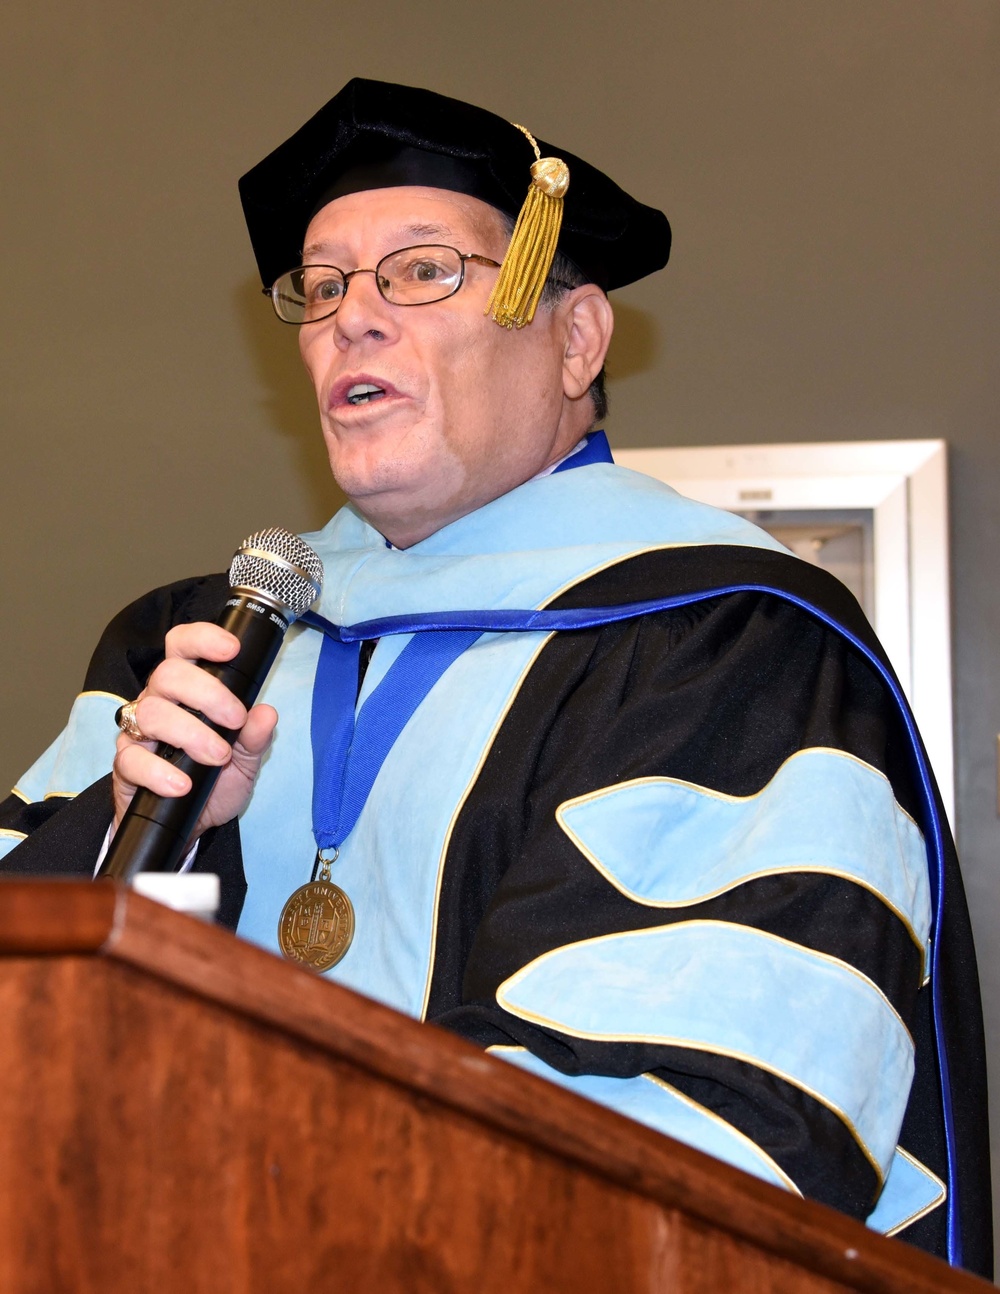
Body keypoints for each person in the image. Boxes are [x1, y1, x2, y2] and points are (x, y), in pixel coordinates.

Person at [0, 78, 990, 1275]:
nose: (351, 321)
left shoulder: (724, 642)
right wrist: (143, 843)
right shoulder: (193, 650)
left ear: (575, 338)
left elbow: (696, 1129)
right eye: (322, 288)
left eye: (420, 272)